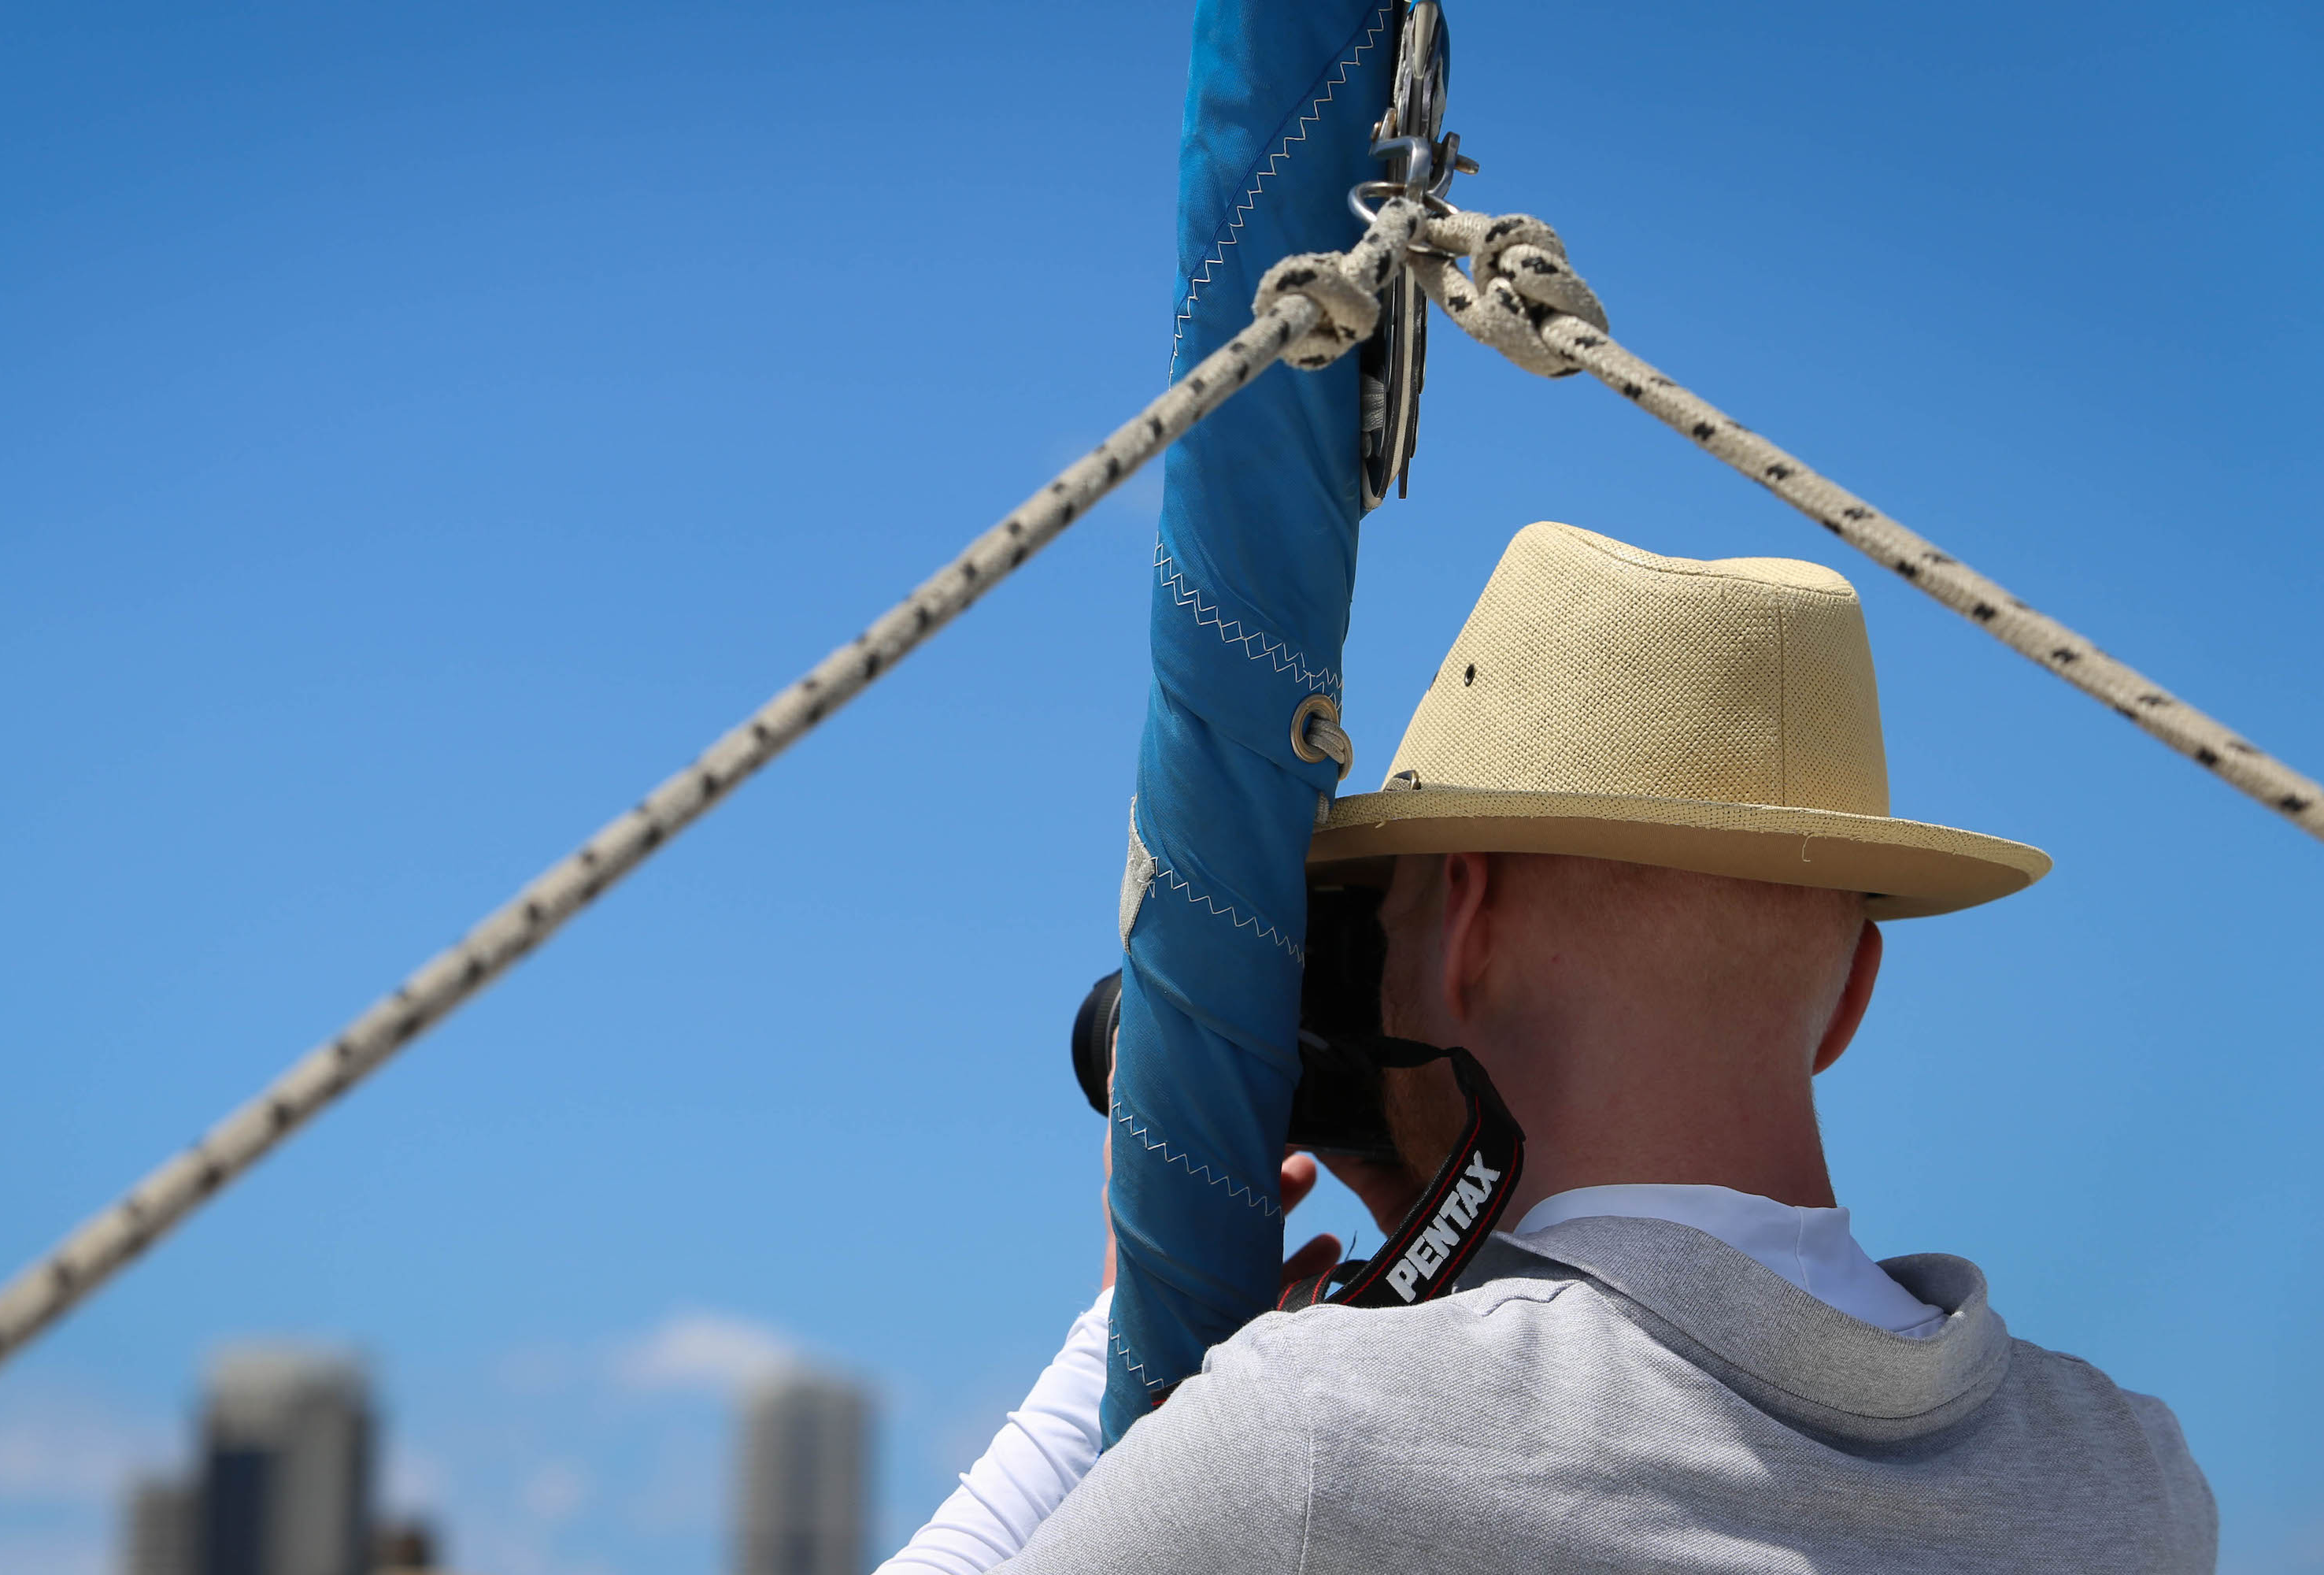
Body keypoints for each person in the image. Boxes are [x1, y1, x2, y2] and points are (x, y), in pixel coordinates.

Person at [882, 522, 2216, 1573]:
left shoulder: (1316, 1443)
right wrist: (1447, 1247)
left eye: (1383, 926)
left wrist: (1125, 1323)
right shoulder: (2134, 1481)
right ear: (1851, 996)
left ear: (1463, 920)